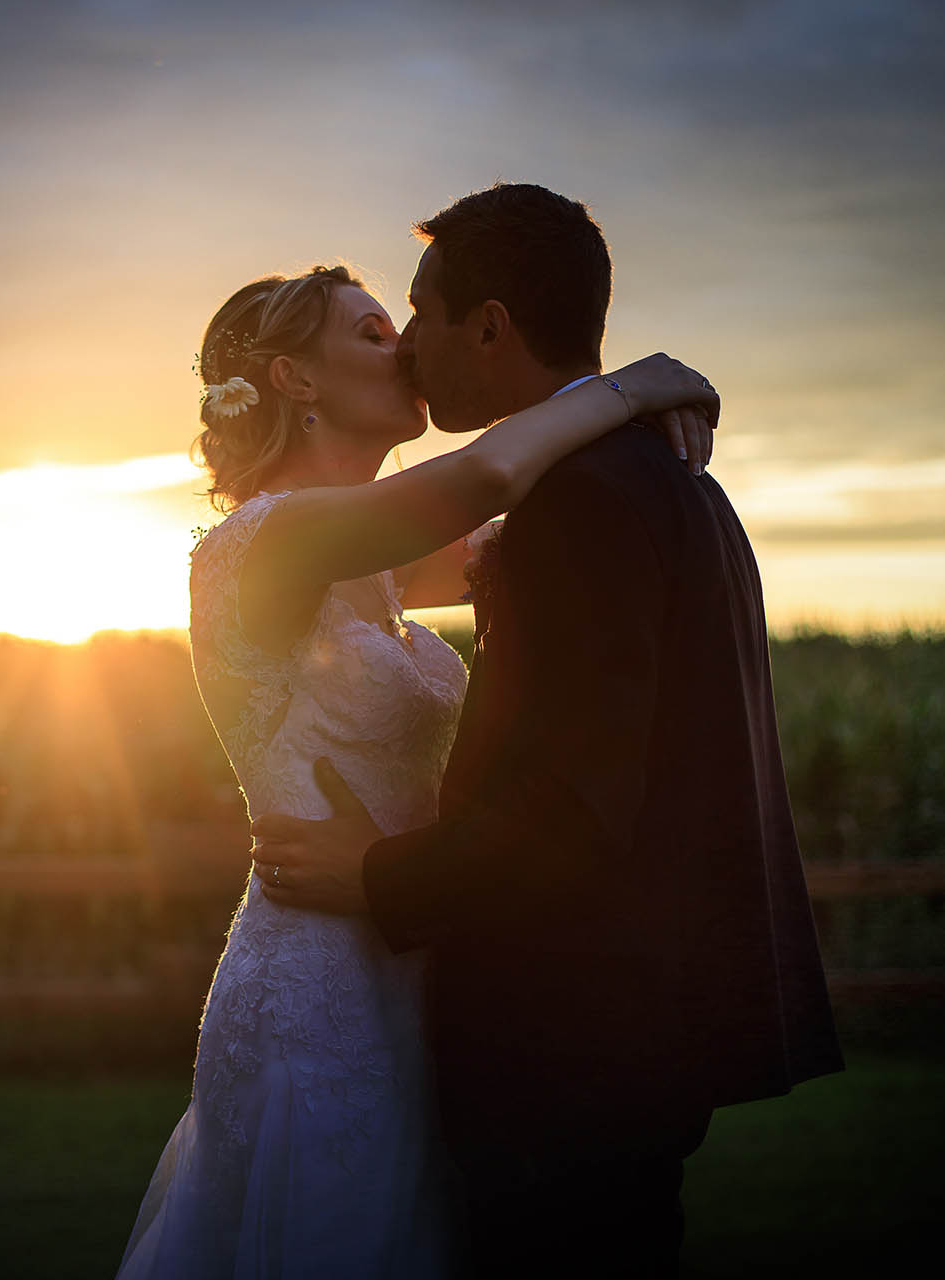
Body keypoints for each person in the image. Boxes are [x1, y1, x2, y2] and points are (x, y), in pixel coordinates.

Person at [251, 184, 844, 1277]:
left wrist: (380, 874)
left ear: (489, 324)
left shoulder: (586, 505)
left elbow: (568, 808)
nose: (412, 347)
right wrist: (632, 393)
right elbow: (470, 502)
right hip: (616, 1026)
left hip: (571, 1033)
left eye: (418, 316)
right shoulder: (659, 482)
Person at [116, 243, 722, 1279]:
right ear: (294, 380)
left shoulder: (378, 560)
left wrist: (625, 448)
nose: (402, 350)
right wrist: (632, 387)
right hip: (319, 991)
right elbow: (489, 472)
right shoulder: (262, 545)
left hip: (421, 961)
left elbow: (530, 525)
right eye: (371, 331)